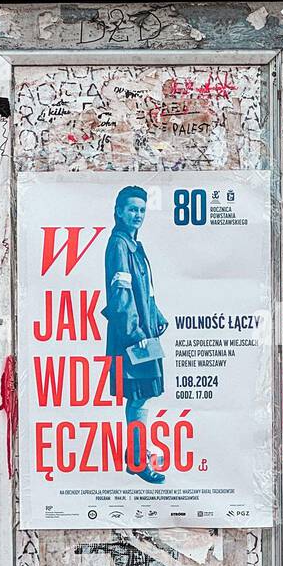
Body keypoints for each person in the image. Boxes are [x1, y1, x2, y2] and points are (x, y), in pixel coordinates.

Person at [102, 185, 168, 484]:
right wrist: (137, 333)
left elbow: (146, 293)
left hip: (143, 332)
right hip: (133, 338)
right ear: (118, 211)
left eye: (142, 209)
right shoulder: (119, 245)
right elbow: (121, 295)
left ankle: (135, 458)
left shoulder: (133, 245)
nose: (138, 214)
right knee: (139, 399)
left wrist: (157, 319)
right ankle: (139, 462)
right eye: (132, 209)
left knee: (140, 399)